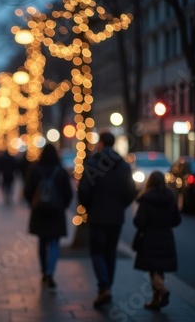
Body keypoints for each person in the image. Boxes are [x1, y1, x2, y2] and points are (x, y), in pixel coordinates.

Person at [78, 131, 137, 307]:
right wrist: (121, 206)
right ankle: (107, 287)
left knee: (97, 252)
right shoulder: (124, 166)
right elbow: (130, 192)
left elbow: (83, 190)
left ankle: (104, 287)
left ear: (101, 144)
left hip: (97, 217)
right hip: (116, 218)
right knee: (110, 253)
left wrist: (89, 207)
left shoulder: (93, 164)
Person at [23, 144, 73, 289]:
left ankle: (44, 271)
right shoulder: (61, 171)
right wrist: (61, 205)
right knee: (54, 243)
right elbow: (68, 193)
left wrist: (33, 203)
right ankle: (51, 271)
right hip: (56, 212)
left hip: (39, 212)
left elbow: (27, 190)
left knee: (42, 242)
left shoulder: (35, 169)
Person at [133, 171, 181, 310]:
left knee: (153, 270)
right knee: (159, 270)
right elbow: (177, 220)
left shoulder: (146, 199)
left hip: (150, 238)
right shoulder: (170, 198)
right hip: (166, 237)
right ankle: (155, 299)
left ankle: (163, 291)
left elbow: (139, 221)